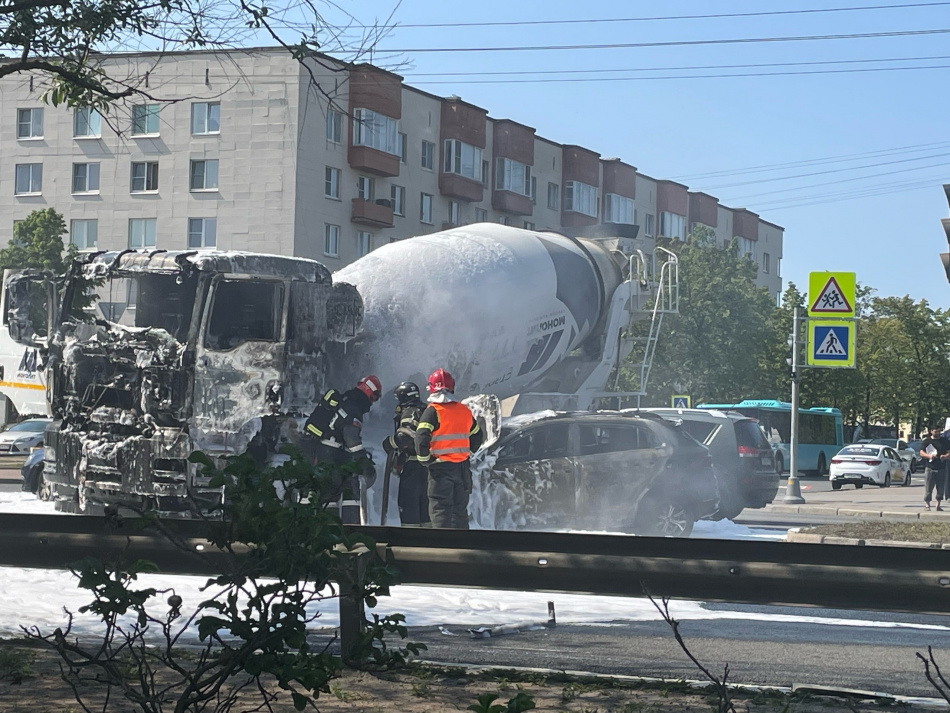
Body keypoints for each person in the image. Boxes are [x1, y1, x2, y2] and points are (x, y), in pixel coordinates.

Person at [303, 374, 381, 523]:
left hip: (324, 452)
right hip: (332, 454)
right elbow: (351, 436)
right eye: (375, 397)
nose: (373, 402)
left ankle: (329, 533)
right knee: (348, 491)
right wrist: (362, 460)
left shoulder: (346, 400)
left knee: (329, 495)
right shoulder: (354, 407)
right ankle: (350, 532)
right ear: (370, 393)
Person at [414, 368, 483, 529]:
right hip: (462, 469)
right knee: (459, 513)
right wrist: (467, 453)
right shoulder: (464, 411)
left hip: (440, 469)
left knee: (440, 511)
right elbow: (478, 435)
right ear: (452, 387)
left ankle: (443, 550)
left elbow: (421, 438)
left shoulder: (433, 411)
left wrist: (425, 460)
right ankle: (461, 549)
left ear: (432, 388)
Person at [382, 381, 430, 527]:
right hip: (429, 468)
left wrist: (389, 443)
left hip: (413, 470)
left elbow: (406, 437)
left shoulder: (410, 411)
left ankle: (410, 544)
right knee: (425, 514)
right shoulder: (427, 410)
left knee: (409, 509)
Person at [920, 424, 950, 511]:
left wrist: (945, 456)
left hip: (941, 467)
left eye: (939, 431)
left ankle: (938, 505)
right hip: (930, 467)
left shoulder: (944, 441)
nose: (937, 433)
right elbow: (921, 452)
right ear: (931, 431)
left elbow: (949, 452)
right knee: (928, 487)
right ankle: (927, 504)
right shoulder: (927, 441)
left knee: (940, 487)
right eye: (935, 431)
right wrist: (929, 456)